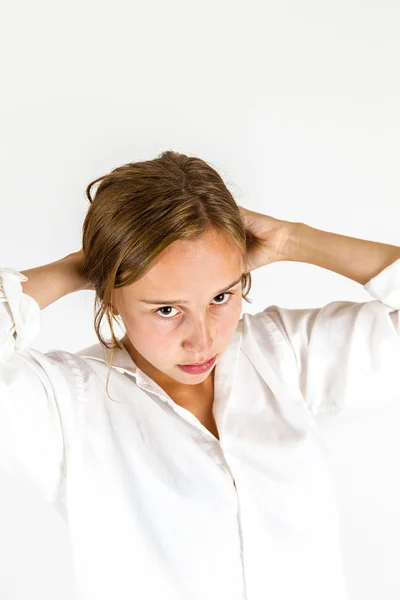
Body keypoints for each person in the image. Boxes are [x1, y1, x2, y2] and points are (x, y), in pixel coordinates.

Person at [1, 150, 400, 600]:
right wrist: (79, 267)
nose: (203, 339)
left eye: (221, 297)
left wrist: (293, 240)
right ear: (110, 297)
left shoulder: (280, 352)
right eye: (167, 309)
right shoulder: (64, 403)